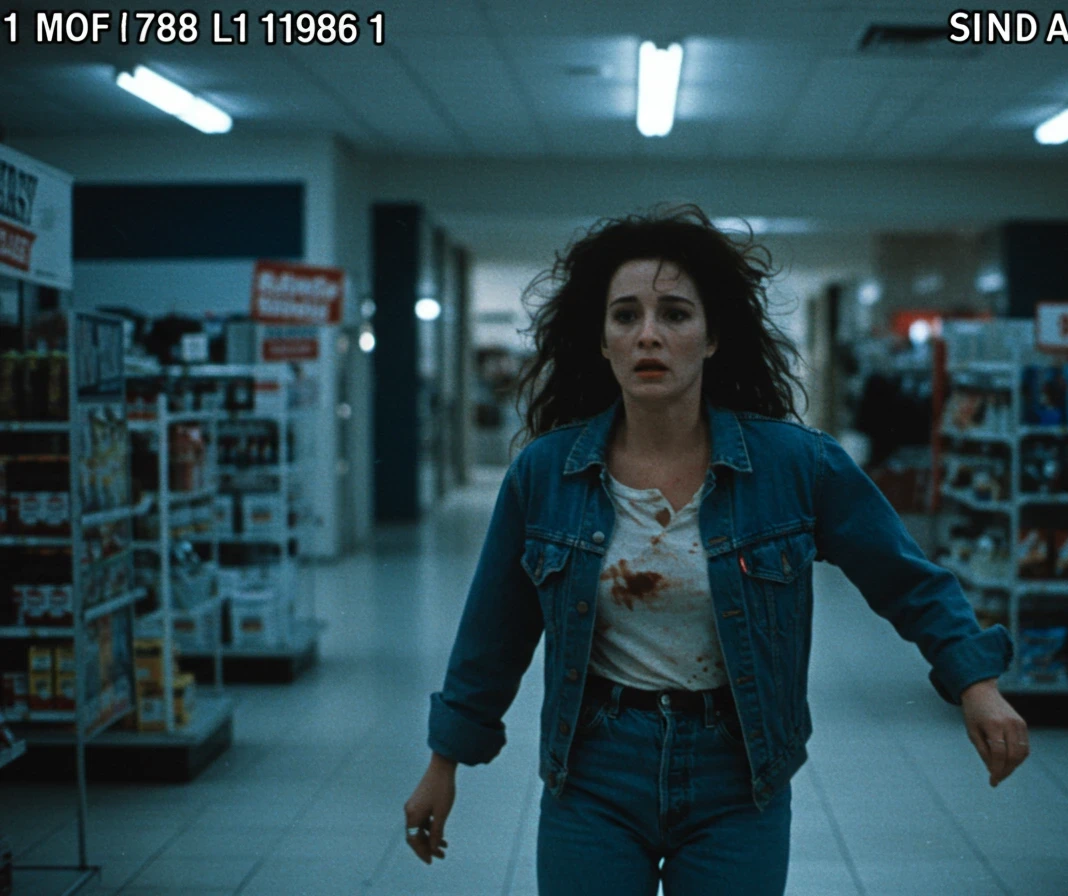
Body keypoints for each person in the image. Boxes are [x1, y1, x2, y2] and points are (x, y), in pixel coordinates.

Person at [403, 205, 1029, 895]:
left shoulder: (796, 467)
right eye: (625, 316)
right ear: (602, 339)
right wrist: (444, 763)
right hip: (596, 768)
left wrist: (978, 685)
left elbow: (907, 579)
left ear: (711, 337)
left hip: (741, 770)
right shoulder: (546, 475)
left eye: (674, 314)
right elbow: (494, 630)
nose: (649, 335)